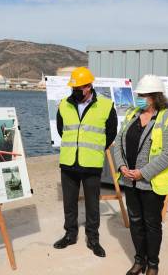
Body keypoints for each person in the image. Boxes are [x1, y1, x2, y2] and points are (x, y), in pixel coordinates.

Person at [113, 74, 168, 275]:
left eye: (144, 95)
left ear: (155, 97)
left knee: (151, 224)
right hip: (129, 180)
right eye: (139, 94)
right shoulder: (131, 115)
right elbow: (118, 143)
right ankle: (139, 260)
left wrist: (143, 173)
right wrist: (121, 166)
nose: (139, 98)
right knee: (135, 222)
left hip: (151, 183)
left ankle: (153, 264)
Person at [53, 67, 117, 258]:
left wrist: (94, 148)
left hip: (91, 163)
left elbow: (111, 132)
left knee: (92, 204)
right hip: (68, 161)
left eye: (79, 87)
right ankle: (70, 234)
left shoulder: (105, 105)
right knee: (69, 202)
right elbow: (61, 129)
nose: (75, 90)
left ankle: (93, 238)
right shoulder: (64, 104)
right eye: (73, 87)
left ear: (89, 86)